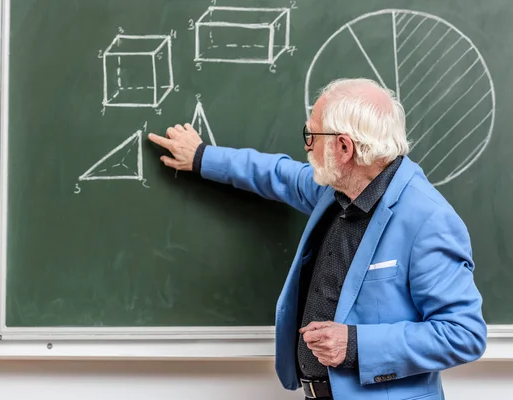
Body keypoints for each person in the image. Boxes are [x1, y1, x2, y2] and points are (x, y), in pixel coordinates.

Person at [147, 78, 487, 400]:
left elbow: (464, 334)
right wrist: (202, 156)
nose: (307, 146)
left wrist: (354, 344)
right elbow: (277, 174)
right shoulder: (337, 190)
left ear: (343, 147)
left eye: (311, 136)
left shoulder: (427, 220)